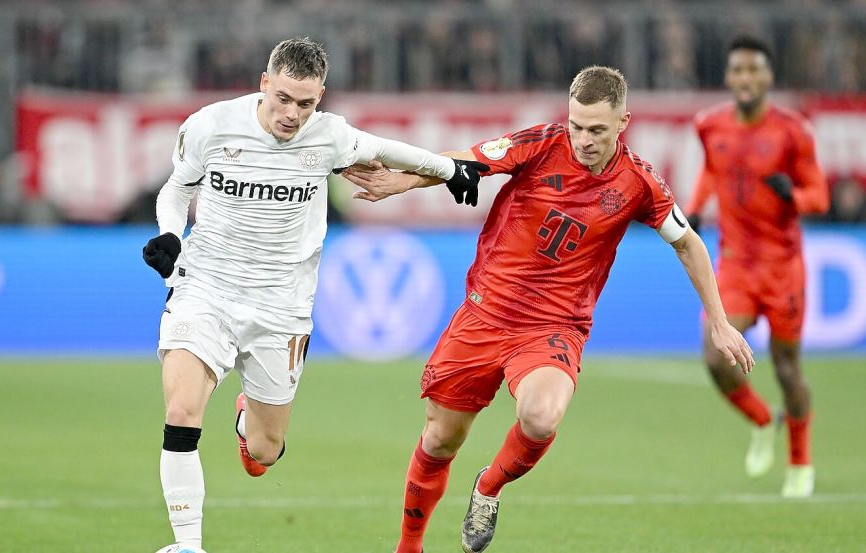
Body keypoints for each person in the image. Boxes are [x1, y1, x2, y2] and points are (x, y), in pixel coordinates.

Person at [342, 65, 755, 553]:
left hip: (554, 326)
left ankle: (488, 488)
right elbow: (464, 162)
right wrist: (403, 182)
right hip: (485, 313)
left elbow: (688, 243)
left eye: (597, 129)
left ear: (624, 122)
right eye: (577, 125)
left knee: (541, 416)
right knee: (440, 440)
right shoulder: (541, 143)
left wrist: (721, 323)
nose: (583, 139)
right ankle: (409, 545)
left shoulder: (640, 183)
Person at [141, 37, 487, 553]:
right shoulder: (210, 125)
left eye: (305, 103)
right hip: (205, 289)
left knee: (265, 451)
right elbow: (176, 189)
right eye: (282, 97)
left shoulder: (328, 137)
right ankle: (188, 544)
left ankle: (248, 421)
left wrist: (450, 169)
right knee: (182, 408)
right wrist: (171, 234)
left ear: (320, 96)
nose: (291, 113)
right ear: (264, 83)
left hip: (281, 308)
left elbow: (385, 149)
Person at [684, 36, 829, 498]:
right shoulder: (710, 126)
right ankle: (764, 419)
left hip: (783, 268)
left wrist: (795, 196)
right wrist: (695, 205)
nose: (746, 79)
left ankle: (800, 464)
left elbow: (820, 197)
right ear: (729, 77)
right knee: (714, 354)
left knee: (788, 368)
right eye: (738, 71)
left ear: (768, 77)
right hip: (736, 266)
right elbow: (712, 167)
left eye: (754, 71)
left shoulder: (793, 131)